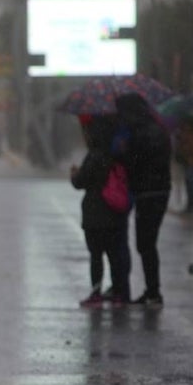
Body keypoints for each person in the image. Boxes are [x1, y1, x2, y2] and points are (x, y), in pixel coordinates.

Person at [115, 92, 172, 308]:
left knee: (145, 243)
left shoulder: (143, 133)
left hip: (150, 193)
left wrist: (124, 152)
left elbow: (136, 162)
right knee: (146, 243)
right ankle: (152, 290)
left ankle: (153, 292)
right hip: (155, 191)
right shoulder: (154, 128)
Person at [70, 115, 130, 308]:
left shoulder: (94, 156)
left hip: (95, 215)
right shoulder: (117, 154)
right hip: (115, 212)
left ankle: (96, 293)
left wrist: (74, 174)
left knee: (96, 256)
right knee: (115, 255)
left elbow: (80, 182)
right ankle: (119, 293)